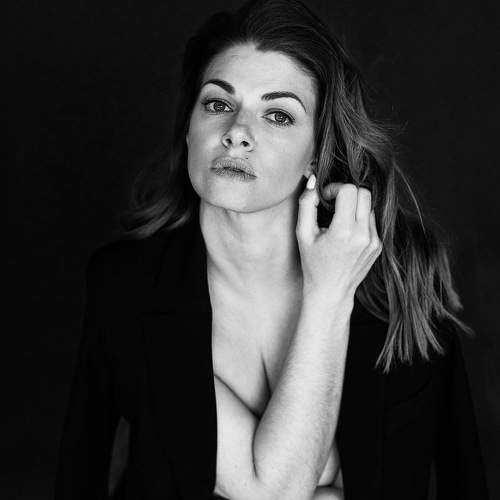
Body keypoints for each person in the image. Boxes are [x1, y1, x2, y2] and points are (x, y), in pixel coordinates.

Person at [54, 0, 489, 499]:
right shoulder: (127, 286)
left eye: (278, 115)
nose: (237, 133)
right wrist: (327, 298)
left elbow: (463, 476)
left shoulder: (401, 279)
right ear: (189, 127)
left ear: (317, 152)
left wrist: (335, 286)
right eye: (218, 104)